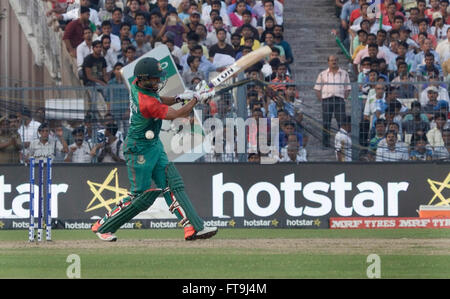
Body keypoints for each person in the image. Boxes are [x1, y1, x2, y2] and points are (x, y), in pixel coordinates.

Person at [91, 57, 217, 242]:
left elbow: (159, 99)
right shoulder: (146, 102)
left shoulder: (137, 84)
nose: (158, 81)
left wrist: (181, 97)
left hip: (153, 145)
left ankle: (193, 227)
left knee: (173, 183)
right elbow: (177, 114)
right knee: (141, 196)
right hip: (138, 149)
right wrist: (196, 99)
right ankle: (103, 226)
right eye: (154, 79)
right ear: (143, 79)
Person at [314, 55, 351, 148]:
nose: (333, 62)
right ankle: (326, 143)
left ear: (338, 61)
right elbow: (317, 88)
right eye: (331, 60)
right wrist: (321, 99)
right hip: (327, 100)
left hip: (339, 100)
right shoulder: (322, 74)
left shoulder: (344, 73)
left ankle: (342, 142)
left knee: (341, 122)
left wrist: (344, 97)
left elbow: (348, 88)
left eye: (335, 60)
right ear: (328, 62)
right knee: (326, 122)